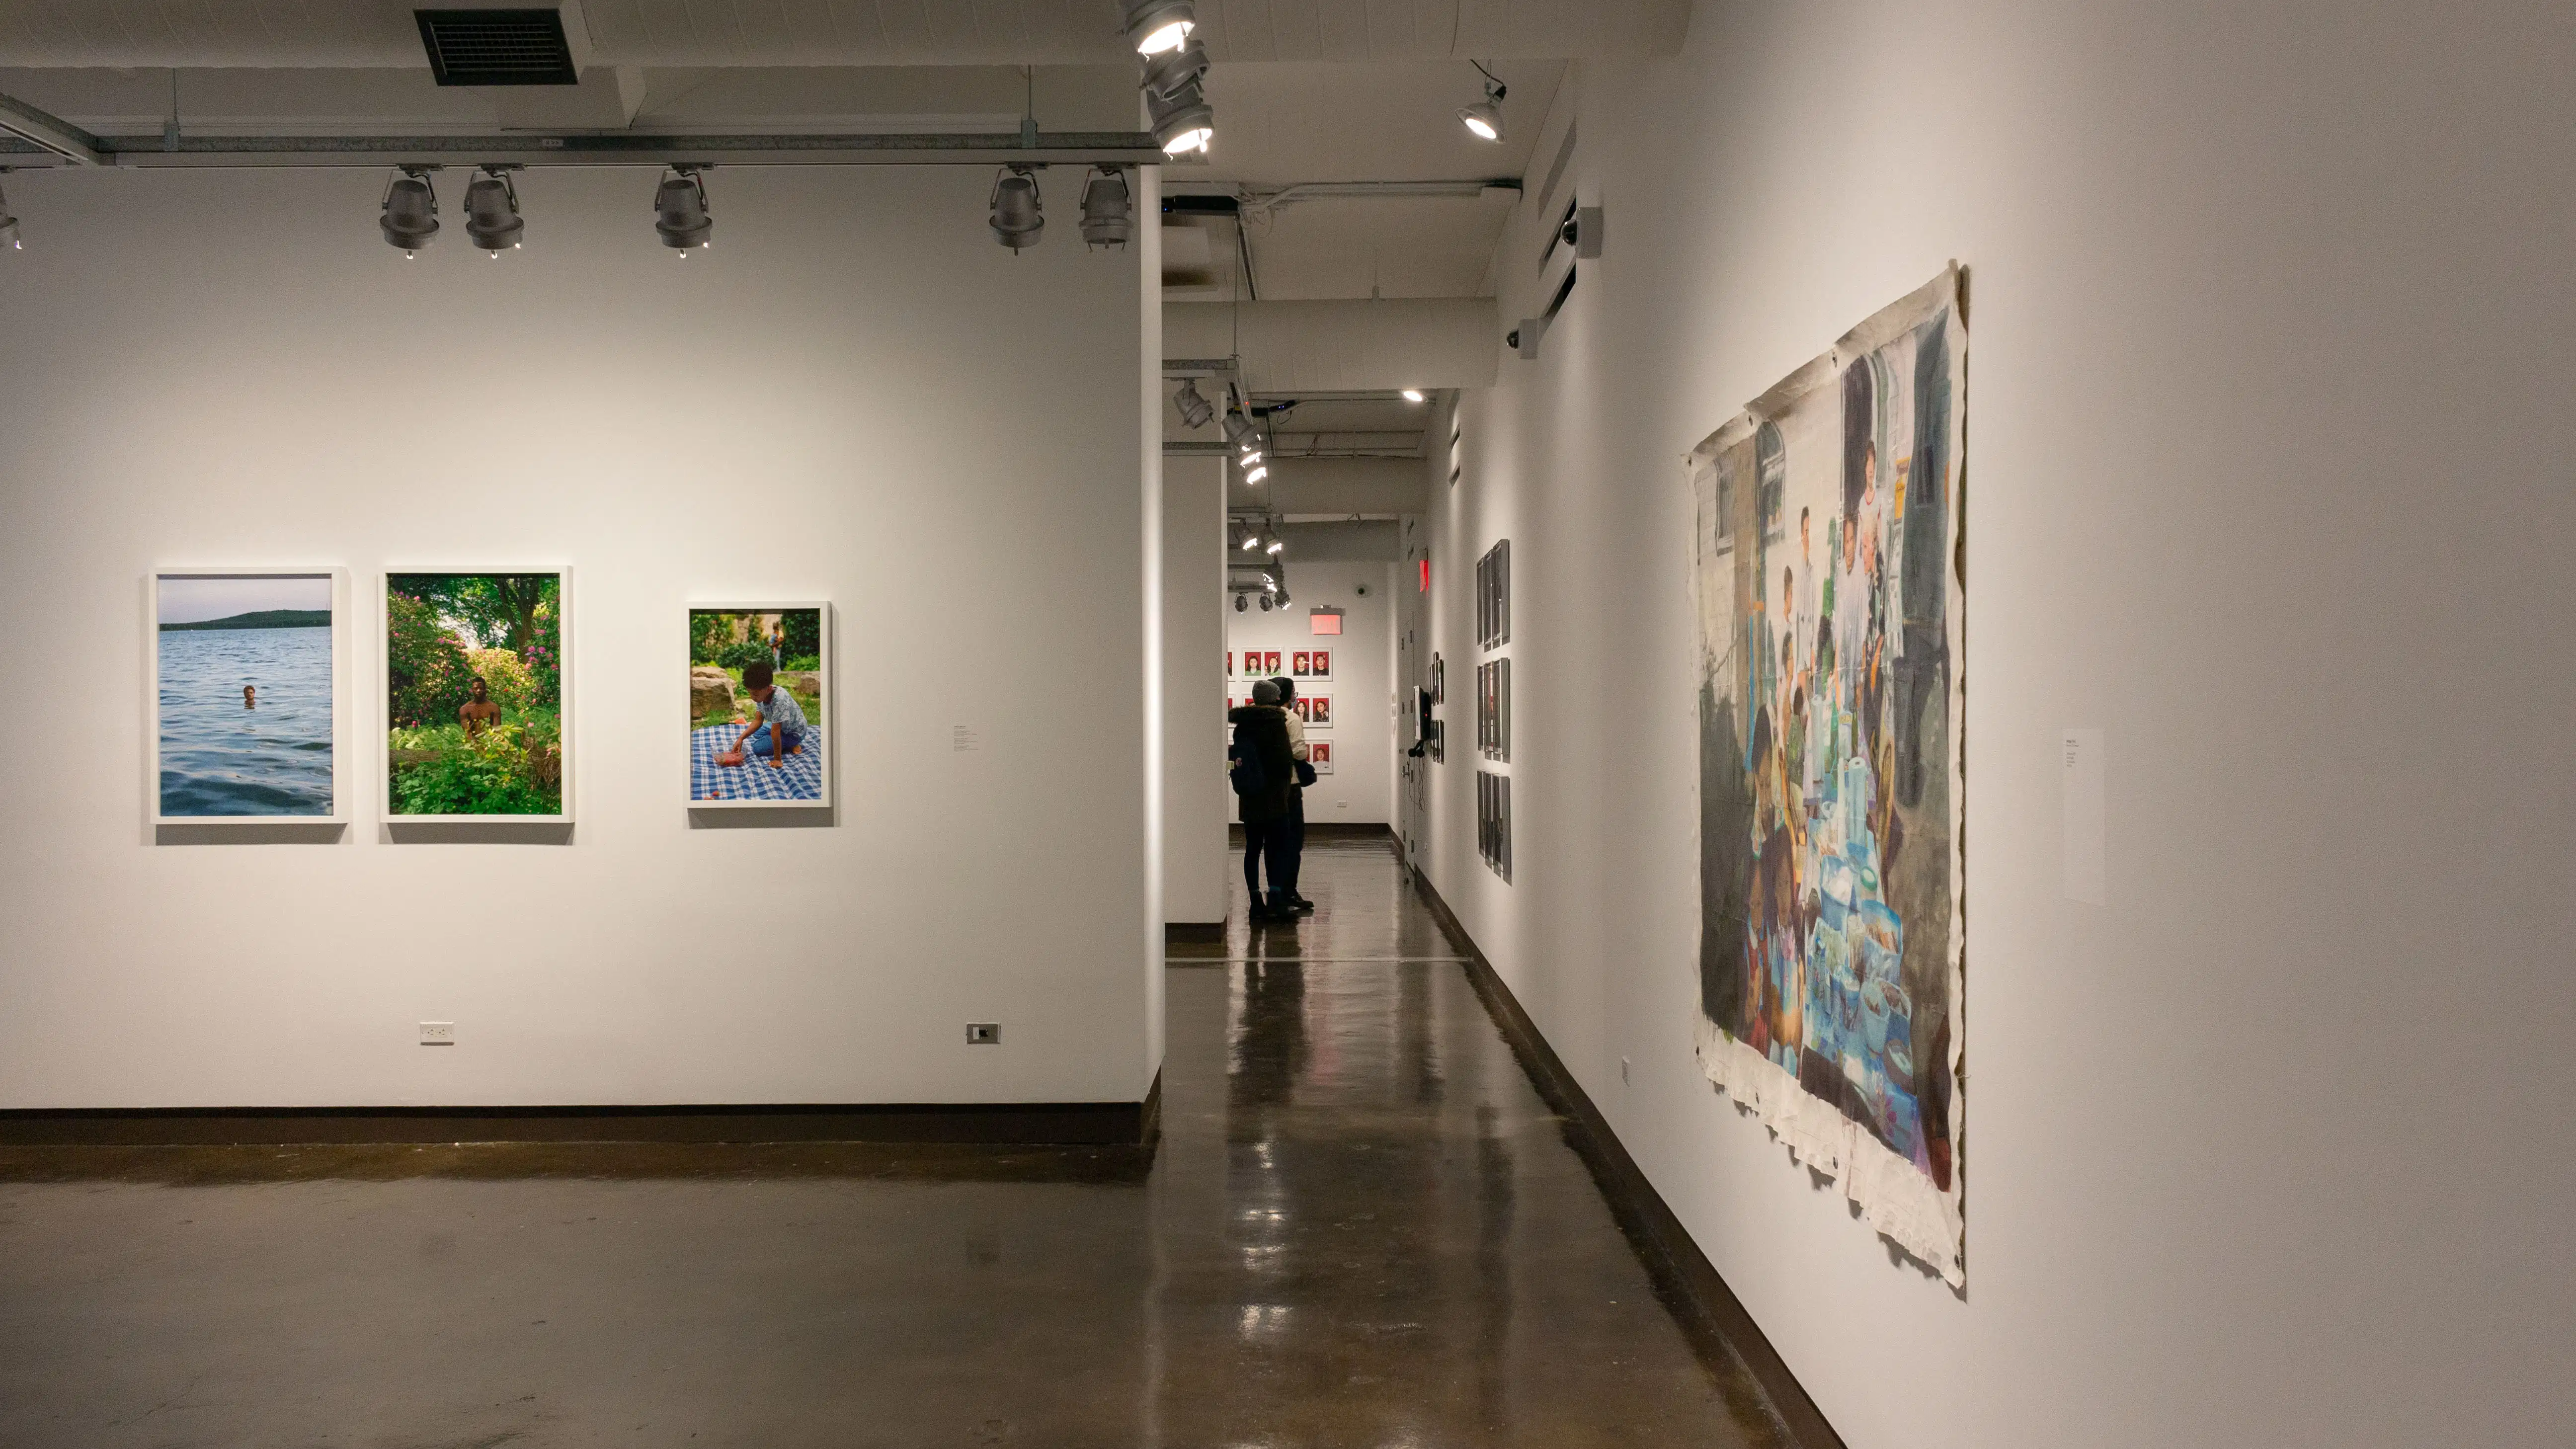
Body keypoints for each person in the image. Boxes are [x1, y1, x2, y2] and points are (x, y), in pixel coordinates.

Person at [1230, 681, 1299, 921]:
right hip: (1274, 798)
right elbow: (1284, 763)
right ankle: (1276, 899)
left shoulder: (1242, 726)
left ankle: (1255, 902)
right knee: (1276, 848)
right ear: (1274, 699)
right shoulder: (1276, 724)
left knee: (1252, 849)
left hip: (1250, 798)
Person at [1270, 675, 1315, 914]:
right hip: (1290, 785)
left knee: (1272, 842)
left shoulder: (1263, 717)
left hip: (1268, 788)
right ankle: (1289, 891)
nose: (1295, 695)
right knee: (1293, 841)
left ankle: (1274, 892)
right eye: (1294, 691)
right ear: (1287, 694)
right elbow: (1299, 752)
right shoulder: (1292, 718)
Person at [718, 660, 806, 769]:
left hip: (793, 732)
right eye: (750, 693)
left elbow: (775, 731)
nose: (752, 697)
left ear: (769, 689)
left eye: (755, 694)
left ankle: (793, 744)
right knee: (756, 733)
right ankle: (783, 743)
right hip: (781, 726)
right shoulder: (763, 694)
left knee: (758, 748)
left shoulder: (780, 700)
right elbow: (758, 721)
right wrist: (741, 739)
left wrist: (777, 760)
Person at [459, 676, 501, 740]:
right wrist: (474, 744)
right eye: (476, 689)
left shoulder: (494, 708)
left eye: (481, 688)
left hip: (490, 742)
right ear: (472, 690)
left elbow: (497, 730)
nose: (478, 691)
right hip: (472, 742)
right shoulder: (465, 709)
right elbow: (467, 733)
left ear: (485, 689)